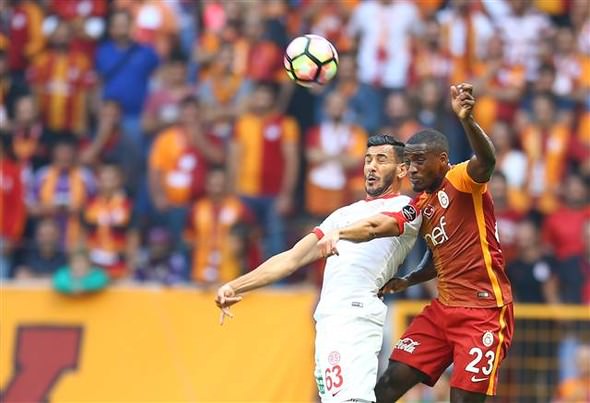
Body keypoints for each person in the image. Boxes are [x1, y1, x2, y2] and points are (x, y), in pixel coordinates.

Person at [320, 83, 514, 402]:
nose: (411, 169)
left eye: (420, 160)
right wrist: (408, 279)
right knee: (388, 384)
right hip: (443, 309)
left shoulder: (461, 180)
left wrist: (467, 120)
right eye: (408, 161)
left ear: (443, 159)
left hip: (484, 312)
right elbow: (433, 252)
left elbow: (487, 160)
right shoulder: (421, 203)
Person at [216, 135, 422, 402]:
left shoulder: (406, 207)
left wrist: (341, 233)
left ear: (402, 170)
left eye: (381, 160)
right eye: (368, 160)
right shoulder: (343, 214)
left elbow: (373, 228)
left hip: (356, 315)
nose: (371, 167)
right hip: (328, 320)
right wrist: (235, 285)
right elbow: (291, 259)